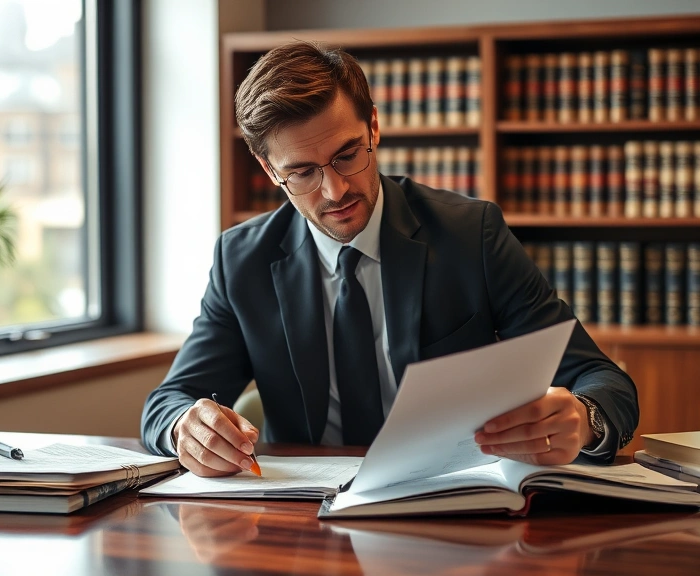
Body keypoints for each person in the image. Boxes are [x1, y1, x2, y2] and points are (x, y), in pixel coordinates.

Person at [141, 41, 638, 477]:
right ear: (270, 169)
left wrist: (584, 417)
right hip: (306, 520)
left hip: (453, 504)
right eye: (303, 172)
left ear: (373, 127)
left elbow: (604, 381)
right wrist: (186, 429)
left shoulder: (472, 235)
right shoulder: (241, 260)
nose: (334, 190)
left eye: (347, 154)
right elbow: (167, 403)